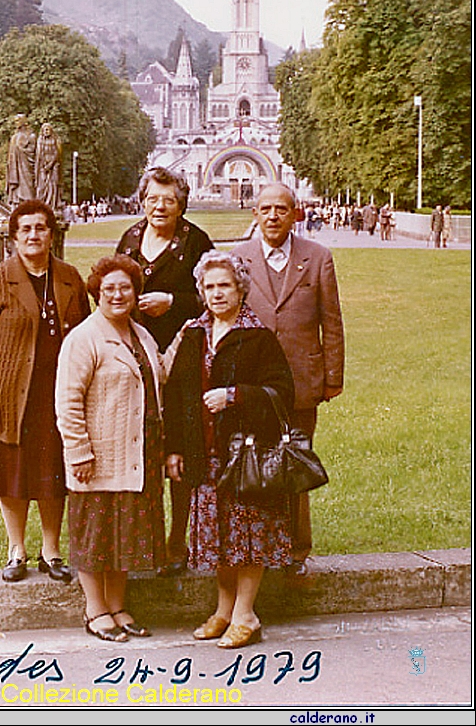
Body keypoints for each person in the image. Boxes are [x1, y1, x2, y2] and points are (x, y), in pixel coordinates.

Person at [164, 251, 295, 648]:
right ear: (201, 291)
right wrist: (174, 449)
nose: (217, 293)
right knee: (217, 537)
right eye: (210, 286)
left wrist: (235, 396)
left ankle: (246, 614)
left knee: (247, 536)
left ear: (240, 289)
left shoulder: (258, 336)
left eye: (225, 285)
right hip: (203, 454)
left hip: (244, 457)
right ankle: (223, 610)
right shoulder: (193, 334)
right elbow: (177, 395)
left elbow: (283, 393)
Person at [0, 199, 89, 582]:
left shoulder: (69, 277)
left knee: (54, 474)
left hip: (59, 398)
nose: (34, 235)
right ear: (15, 237)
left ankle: (51, 551)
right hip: (11, 399)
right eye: (26, 230)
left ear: (52, 234)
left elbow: (87, 335)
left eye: (41, 228)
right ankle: (16, 549)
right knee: (13, 476)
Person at [233, 183, 344, 575]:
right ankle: (259, 545)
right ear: (255, 214)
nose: (273, 216)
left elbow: (331, 321)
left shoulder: (317, 258)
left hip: (301, 381)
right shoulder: (238, 257)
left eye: (281, 208)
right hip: (254, 384)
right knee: (254, 462)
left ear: (295, 213)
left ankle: (296, 549)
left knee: (296, 461)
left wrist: (332, 377)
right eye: (265, 208)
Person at [55, 255, 165, 642]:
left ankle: (118, 606)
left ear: (136, 293)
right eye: (109, 289)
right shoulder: (84, 339)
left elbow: (157, 376)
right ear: (97, 294)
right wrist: (79, 451)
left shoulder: (141, 334)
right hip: (99, 454)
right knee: (95, 533)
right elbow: (67, 402)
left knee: (124, 534)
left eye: (125, 288)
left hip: (138, 452)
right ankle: (95, 610)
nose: (118, 295)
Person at [116, 166, 213, 573]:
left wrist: (172, 301)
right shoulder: (130, 239)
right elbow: (114, 287)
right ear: (142, 201)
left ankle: (178, 538)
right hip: (136, 354)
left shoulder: (196, 241)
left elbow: (214, 294)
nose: (160, 206)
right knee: (142, 445)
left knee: (182, 448)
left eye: (169, 200)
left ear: (181, 204)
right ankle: (146, 537)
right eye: (153, 199)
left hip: (184, 356)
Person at [6, 114, 36, 207]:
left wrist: (20, 150)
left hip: (26, 165)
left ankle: (29, 204)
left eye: (17, 121)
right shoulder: (14, 137)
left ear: (23, 121)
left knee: (28, 186)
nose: (16, 123)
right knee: (17, 188)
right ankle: (17, 202)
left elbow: (32, 150)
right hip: (15, 167)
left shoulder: (31, 136)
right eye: (15, 121)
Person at [35, 123, 62, 211]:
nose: (46, 132)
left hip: (53, 165)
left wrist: (50, 164)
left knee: (53, 185)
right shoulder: (40, 140)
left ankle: (52, 205)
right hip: (43, 165)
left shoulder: (55, 140)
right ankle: (42, 204)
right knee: (42, 186)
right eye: (44, 130)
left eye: (48, 129)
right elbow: (39, 153)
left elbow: (57, 153)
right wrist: (44, 165)